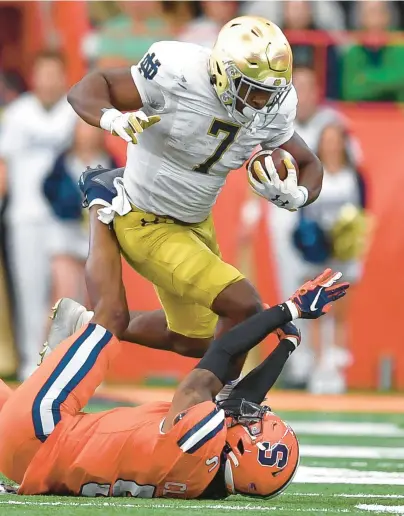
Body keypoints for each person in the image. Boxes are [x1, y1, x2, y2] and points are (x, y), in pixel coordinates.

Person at [63, 16, 323, 397]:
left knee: (196, 341)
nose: (262, 102)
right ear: (222, 71)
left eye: (270, 92)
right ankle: (208, 404)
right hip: (147, 219)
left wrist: (298, 196)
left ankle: (83, 324)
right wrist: (112, 118)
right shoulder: (178, 72)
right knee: (245, 306)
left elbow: (309, 163)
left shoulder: (272, 106)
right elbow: (89, 87)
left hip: (196, 222)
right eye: (252, 91)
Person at [0, 268, 349, 498]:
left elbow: (223, 351)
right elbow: (241, 399)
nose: (252, 414)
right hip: (28, 466)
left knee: (110, 319)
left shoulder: (202, 434)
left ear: (243, 446)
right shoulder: (208, 483)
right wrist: (286, 346)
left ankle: (101, 207)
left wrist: (291, 309)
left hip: (44, 428)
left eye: (255, 423)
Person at [0, 50, 77, 380]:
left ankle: (65, 365)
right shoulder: (18, 114)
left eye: (54, 73)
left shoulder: (75, 112)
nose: (48, 80)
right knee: (29, 291)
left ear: (63, 76)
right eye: (43, 73)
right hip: (26, 215)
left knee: (69, 296)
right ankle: (31, 364)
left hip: (66, 218)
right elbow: (4, 165)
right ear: (34, 76)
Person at [293, 124, 368, 394]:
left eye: (336, 140)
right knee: (314, 309)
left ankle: (336, 366)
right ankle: (316, 365)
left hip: (343, 253)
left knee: (340, 312)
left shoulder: (354, 176)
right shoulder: (313, 173)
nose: (332, 146)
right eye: (327, 140)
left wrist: (350, 239)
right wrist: (311, 240)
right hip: (317, 251)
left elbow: (362, 212)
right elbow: (302, 209)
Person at [43, 119, 118, 308]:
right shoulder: (63, 161)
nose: (86, 135)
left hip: (95, 237)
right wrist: (67, 208)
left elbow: (121, 192)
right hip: (66, 233)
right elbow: (48, 189)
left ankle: (84, 335)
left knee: (91, 299)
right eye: (82, 130)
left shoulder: (108, 161)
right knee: (63, 296)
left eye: (91, 130)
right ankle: (54, 337)